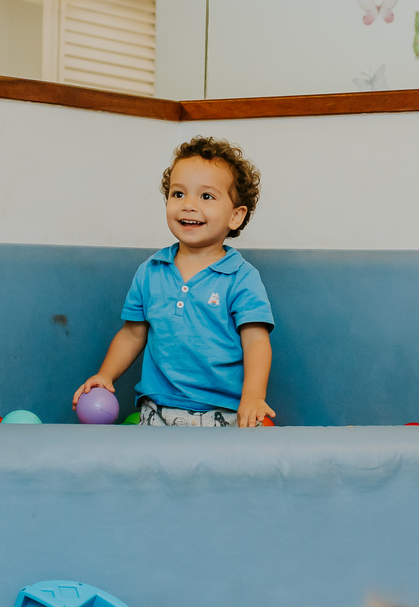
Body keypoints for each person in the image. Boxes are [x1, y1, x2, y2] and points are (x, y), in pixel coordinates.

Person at [72, 136, 275, 427]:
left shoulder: (241, 277)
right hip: (156, 410)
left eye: (206, 196)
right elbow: (132, 333)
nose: (188, 205)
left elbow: (256, 340)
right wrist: (105, 375)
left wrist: (253, 397)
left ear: (235, 216)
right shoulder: (151, 270)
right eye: (178, 194)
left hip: (223, 414)